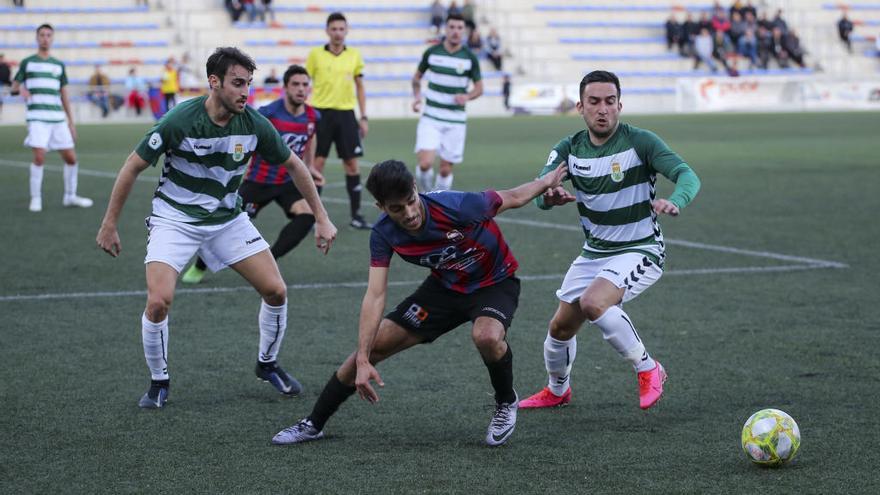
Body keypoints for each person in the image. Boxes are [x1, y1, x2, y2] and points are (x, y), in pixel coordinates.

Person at [95, 47, 338, 409]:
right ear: (214, 82)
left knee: (276, 291)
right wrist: (109, 223)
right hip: (175, 219)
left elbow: (295, 166)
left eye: (249, 84)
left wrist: (321, 217)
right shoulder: (180, 120)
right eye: (238, 83)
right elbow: (132, 166)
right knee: (159, 301)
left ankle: (267, 363)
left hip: (227, 220)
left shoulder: (253, 123)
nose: (245, 92)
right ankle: (159, 382)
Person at [271, 158, 570, 447]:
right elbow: (375, 294)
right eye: (397, 208)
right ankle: (313, 423)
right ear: (381, 208)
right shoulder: (384, 234)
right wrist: (363, 358)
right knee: (371, 348)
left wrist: (545, 182)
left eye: (411, 200)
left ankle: (506, 401)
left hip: (494, 282)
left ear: (415, 187)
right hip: (443, 289)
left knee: (487, 336)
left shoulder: (458, 205)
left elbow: (514, 197)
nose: (410, 213)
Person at [518, 70, 700, 411]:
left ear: (620, 105)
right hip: (595, 252)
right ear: (580, 107)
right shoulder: (569, 149)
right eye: (594, 102)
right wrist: (549, 196)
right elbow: (540, 189)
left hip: (641, 248)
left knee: (593, 303)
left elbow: (687, 175)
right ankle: (558, 390)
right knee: (560, 327)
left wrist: (677, 199)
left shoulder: (640, 141)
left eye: (610, 102)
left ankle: (649, 368)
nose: (603, 109)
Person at [181, 64, 324, 284]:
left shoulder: (313, 116)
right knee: (223, 224)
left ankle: (272, 261)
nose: (301, 89)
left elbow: (310, 136)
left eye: (305, 85)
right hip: (258, 182)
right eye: (295, 84)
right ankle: (200, 266)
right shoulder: (268, 114)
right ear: (285, 87)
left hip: (287, 182)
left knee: (307, 215)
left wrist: (311, 166)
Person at [11, 24, 92, 212]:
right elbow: (15, 87)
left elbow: (64, 94)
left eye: (48, 35)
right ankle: (36, 198)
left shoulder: (58, 65)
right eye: (42, 35)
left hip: (57, 119)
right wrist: (20, 90)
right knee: (39, 157)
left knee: (71, 159)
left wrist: (71, 122)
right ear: (37, 38)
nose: (45, 38)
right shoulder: (28, 62)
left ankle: (70, 196)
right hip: (37, 118)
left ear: (52, 38)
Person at [306, 12, 372, 230]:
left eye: (341, 29)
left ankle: (356, 216)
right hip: (320, 114)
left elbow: (361, 87)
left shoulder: (354, 55)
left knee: (352, 165)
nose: (337, 33)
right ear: (327, 31)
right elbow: (305, 85)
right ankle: (315, 218)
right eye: (333, 29)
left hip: (346, 115)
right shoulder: (315, 55)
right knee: (317, 166)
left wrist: (363, 116)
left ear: (346, 31)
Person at [411, 13, 483, 193]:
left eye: (459, 28)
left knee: (445, 169)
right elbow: (416, 78)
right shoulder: (432, 52)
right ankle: (427, 197)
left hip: (455, 121)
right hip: (431, 117)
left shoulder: (469, 58)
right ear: (445, 28)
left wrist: (467, 96)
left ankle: (439, 201)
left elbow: (479, 88)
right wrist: (417, 96)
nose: (456, 31)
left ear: (464, 30)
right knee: (425, 163)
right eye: (452, 27)